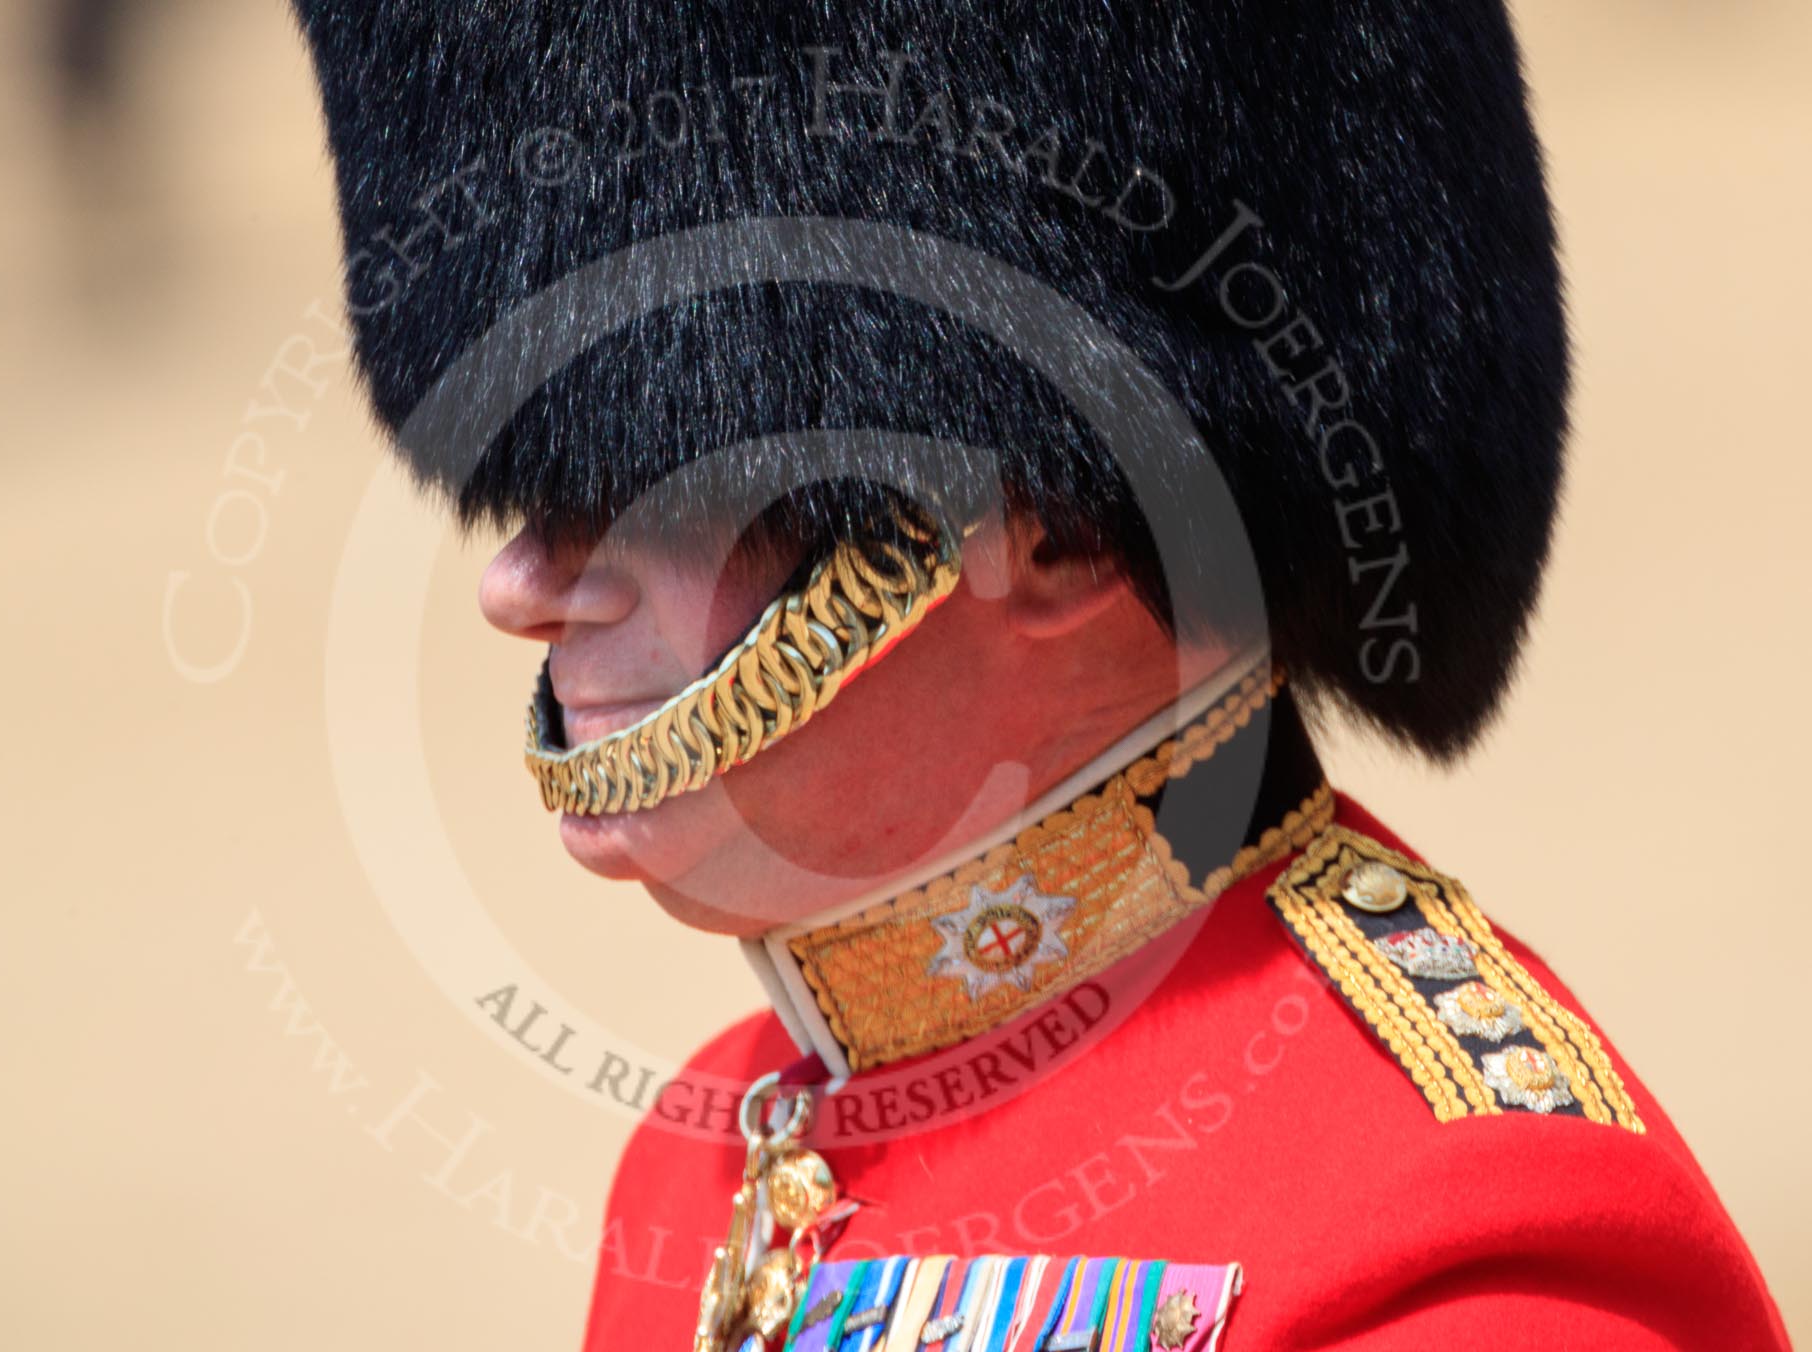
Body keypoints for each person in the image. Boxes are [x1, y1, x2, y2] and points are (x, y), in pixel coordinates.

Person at [288, 2, 1790, 1347]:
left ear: (1061, 533)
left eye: (651, 485)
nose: (516, 585)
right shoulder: (697, 1178)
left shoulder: (1453, 1260)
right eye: (542, 497)